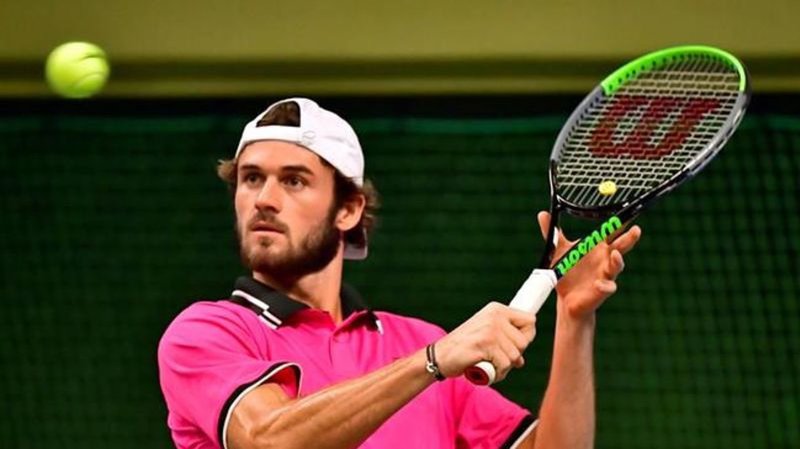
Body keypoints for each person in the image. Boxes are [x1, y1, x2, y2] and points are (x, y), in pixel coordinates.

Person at [157, 97, 642, 449]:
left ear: (348, 210)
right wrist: (430, 363)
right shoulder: (205, 333)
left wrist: (574, 318)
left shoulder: (416, 340)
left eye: (294, 181)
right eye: (251, 178)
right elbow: (268, 440)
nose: (264, 198)